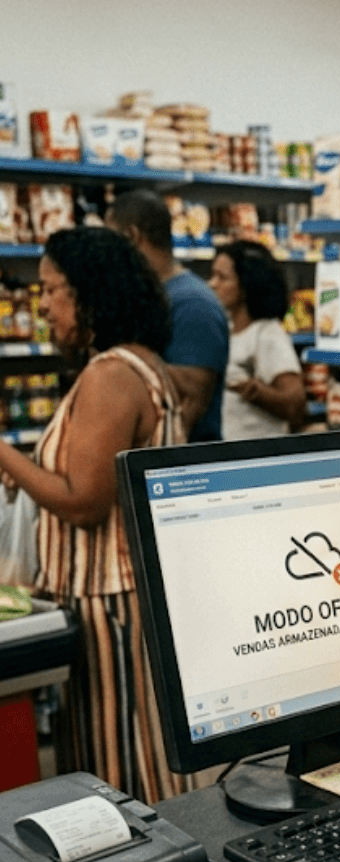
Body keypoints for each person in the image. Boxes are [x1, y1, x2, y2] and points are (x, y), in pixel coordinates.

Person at [0, 227, 187, 804]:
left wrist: (5, 454)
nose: (45, 306)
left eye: (53, 290)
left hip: (112, 605)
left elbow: (84, 502)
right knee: (139, 760)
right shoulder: (143, 364)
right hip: (127, 597)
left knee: (118, 771)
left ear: (89, 293)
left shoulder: (110, 374)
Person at [107, 189, 228, 441]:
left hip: (186, 470)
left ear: (133, 236)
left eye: (112, 240)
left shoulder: (193, 303)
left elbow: (192, 396)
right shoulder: (147, 295)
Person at [209, 240, 306, 439]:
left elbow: (295, 405)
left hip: (256, 459)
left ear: (246, 285)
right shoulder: (226, 330)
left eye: (222, 278)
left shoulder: (267, 334)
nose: (212, 284)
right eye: (213, 275)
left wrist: (258, 392)